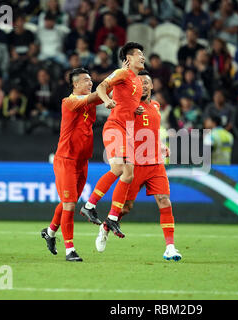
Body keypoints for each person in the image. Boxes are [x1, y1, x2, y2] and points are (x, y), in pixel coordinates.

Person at [94, 70, 182, 261]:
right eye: (139, 82)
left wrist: (160, 146)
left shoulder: (157, 106)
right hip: (135, 162)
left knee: (164, 200)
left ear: (151, 86)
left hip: (155, 163)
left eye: (146, 83)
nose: (142, 85)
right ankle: (105, 227)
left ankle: (170, 247)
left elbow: (151, 131)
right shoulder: (130, 106)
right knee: (125, 208)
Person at [79, 42, 145, 238]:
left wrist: (136, 109)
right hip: (115, 127)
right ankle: (89, 206)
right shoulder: (122, 73)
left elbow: (127, 102)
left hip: (129, 131)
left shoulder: (138, 81)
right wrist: (106, 100)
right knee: (118, 169)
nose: (142, 57)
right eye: (138, 54)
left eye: (143, 54)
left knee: (129, 174)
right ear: (128, 59)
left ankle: (112, 218)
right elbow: (101, 87)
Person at [40, 68, 106, 262]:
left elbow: (106, 93)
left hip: (82, 161)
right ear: (75, 84)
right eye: (86, 80)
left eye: (91, 80)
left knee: (69, 202)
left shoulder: (90, 101)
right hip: (66, 160)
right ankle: (70, 249)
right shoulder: (68, 102)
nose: (90, 82)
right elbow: (100, 93)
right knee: (69, 204)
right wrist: (118, 74)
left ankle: (50, 232)